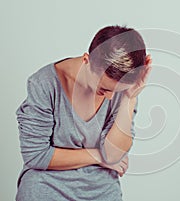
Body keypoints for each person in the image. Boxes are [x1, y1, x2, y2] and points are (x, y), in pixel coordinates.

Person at [15, 25, 152, 201]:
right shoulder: (44, 84)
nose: (111, 97)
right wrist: (98, 156)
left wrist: (129, 98)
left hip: (100, 188)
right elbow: (36, 156)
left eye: (117, 91)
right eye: (103, 89)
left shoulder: (123, 89)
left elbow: (114, 155)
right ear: (86, 60)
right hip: (47, 185)